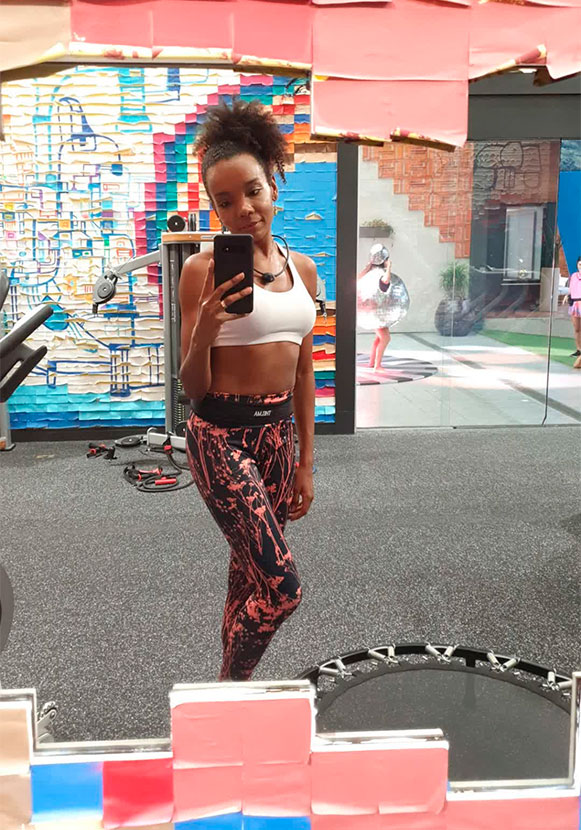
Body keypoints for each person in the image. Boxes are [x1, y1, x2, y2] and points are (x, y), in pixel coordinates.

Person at [179, 100, 317, 682]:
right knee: (282, 589)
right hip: (220, 437)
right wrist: (206, 330)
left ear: (273, 186)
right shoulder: (201, 270)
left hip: (278, 437)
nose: (243, 209)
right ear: (214, 207)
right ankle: (229, 689)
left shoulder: (304, 269)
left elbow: (304, 373)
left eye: (253, 191)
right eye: (225, 201)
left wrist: (306, 462)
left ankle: (230, 696)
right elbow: (192, 388)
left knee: (248, 578)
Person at [357, 244, 394, 371]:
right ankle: (377, 365)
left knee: (379, 338)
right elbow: (386, 281)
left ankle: (372, 362)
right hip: (377, 313)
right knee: (385, 338)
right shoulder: (380, 274)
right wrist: (389, 268)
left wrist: (367, 268)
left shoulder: (370, 273)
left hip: (371, 312)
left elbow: (356, 279)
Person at [567, 255, 581, 358]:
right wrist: (568, 296)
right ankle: (579, 349)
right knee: (577, 328)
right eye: (580, 264)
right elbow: (571, 288)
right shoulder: (574, 276)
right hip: (575, 304)